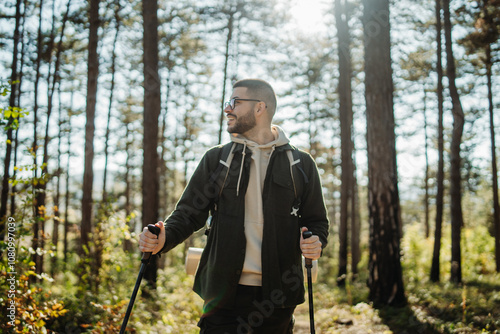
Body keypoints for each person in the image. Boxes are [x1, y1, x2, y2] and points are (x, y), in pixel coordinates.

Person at [139, 78, 329, 333]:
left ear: (259, 108)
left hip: (278, 299)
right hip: (222, 298)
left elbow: (317, 222)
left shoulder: (300, 164)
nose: (227, 109)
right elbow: (188, 214)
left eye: (234, 102)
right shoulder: (217, 159)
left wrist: (315, 241)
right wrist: (164, 238)